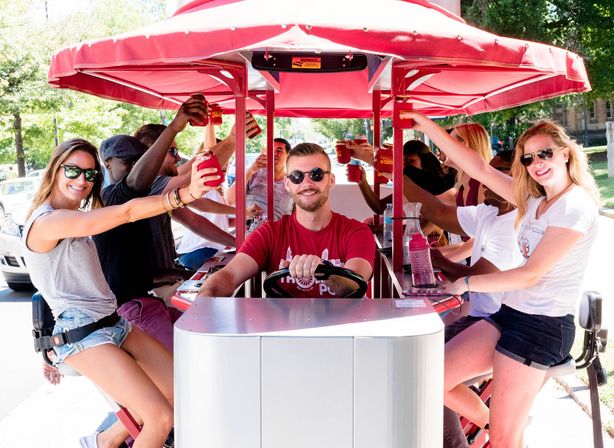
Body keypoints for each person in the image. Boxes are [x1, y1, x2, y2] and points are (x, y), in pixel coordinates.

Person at [406, 111, 600, 447]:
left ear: (565, 153)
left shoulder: (574, 207)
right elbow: (478, 168)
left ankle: (506, 425)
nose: (537, 162)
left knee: (505, 439)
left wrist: (465, 283)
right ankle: (503, 421)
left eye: (545, 153)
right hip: (509, 315)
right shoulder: (534, 201)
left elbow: (531, 274)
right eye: (528, 157)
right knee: (431, 378)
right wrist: (427, 125)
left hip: (542, 326)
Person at [22, 138, 219, 448]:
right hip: (82, 333)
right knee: (160, 418)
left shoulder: (74, 215)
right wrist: (184, 195)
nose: (82, 180)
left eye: (90, 174)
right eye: (73, 170)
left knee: (179, 391)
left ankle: (102, 442)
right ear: (55, 169)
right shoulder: (47, 221)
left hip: (113, 321)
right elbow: (126, 212)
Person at [405, 150, 522, 448]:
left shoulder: (515, 224)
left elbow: (481, 276)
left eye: (502, 171)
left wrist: (442, 263)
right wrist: (393, 171)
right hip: (479, 318)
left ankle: (493, 432)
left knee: (426, 373)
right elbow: (436, 210)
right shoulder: (490, 213)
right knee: (414, 356)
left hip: (501, 326)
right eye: (489, 171)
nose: (488, 179)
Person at [198, 143, 375, 299]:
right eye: (297, 176)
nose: (307, 183)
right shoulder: (270, 233)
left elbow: (355, 284)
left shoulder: (356, 232)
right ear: (287, 184)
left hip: (341, 333)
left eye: (316, 174)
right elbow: (230, 274)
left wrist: (323, 271)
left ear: (331, 180)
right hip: (280, 334)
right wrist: (206, 294)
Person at [132, 118, 236, 276]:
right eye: (172, 151)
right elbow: (194, 172)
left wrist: (238, 242)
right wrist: (234, 138)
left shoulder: (160, 188)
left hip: (164, 274)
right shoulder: (150, 186)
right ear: (152, 153)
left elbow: (195, 222)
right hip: (148, 284)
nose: (179, 157)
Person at [226, 137, 293, 220]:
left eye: (279, 150)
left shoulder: (292, 182)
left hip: (277, 231)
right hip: (249, 231)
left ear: (288, 155)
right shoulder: (253, 173)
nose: (274, 153)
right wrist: (251, 170)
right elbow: (229, 200)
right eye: (270, 149)